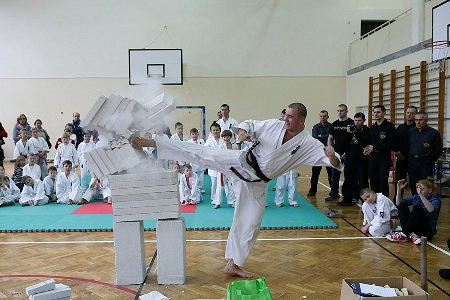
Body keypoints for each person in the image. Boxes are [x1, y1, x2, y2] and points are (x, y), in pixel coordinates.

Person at [131, 102, 342, 277]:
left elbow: (332, 160)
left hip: (257, 183)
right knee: (197, 151)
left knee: (251, 222)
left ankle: (233, 263)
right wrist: (242, 132)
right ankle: (146, 142)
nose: (285, 119)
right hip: (240, 163)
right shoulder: (273, 125)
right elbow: (249, 124)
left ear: (301, 120)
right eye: (285, 115)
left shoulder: (308, 143)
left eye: (290, 117)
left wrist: (331, 154)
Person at [386, 178, 441, 244]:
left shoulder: (435, 200)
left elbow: (431, 210)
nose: (419, 191)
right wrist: (399, 190)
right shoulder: (416, 197)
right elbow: (399, 204)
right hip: (414, 230)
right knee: (402, 205)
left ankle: (404, 234)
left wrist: (421, 195)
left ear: (430, 190)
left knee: (417, 208)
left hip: (426, 232)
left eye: (422, 189)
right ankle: (411, 234)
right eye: (419, 189)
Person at [405, 111, 442, 195]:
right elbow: (407, 146)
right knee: (413, 184)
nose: (418, 122)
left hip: (426, 163)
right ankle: (415, 204)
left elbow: (438, 150)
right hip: (412, 162)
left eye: (420, 120)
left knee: (425, 185)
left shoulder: (433, 133)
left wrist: (430, 160)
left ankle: (425, 206)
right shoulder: (410, 132)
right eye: (416, 120)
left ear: (426, 120)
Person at [364, 105, 396, 198]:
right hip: (373, 158)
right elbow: (369, 143)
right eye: (374, 112)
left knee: (383, 182)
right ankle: (374, 202)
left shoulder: (390, 127)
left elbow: (391, 144)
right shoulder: (372, 128)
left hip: (384, 158)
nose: (376, 114)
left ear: (384, 113)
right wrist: (367, 150)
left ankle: (384, 203)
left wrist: (375, 148)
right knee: (373, 182)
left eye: (378, 112)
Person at [338, 112, 370, 206]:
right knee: (348, 179)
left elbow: (364, 143)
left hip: (362, 159)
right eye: (355, 120)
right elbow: (343, 144)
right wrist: (348, 134)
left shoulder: (367, 131)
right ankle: (347, 198)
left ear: (364, 121)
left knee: (363, 180)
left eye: (359, 120)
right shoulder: (350, 130)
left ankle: (365, 200)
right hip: (350, 159)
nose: (357, 122)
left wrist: (356, 133)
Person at [326, 104, 353, 201]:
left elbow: (354, 139)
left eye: (341, 110)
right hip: (337, 154)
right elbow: (330, 138)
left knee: (349, 175)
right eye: (338, 111)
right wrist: (330, 150)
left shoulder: (351, 123)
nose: (339, 112)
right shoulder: (334, 124)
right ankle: (333, 194)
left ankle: (349, 195)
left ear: (346, 111)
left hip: (349, 153)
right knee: (334, 175)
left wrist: (348, 152)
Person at [394, 106, 417, 198]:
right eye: (407, 112)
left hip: (412, 159)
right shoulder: (400, 127)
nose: (409, 115)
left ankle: (416, 200)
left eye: (412, 113)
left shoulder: (417, 128)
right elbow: (395, 142)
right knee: (399, 180)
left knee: (414, 181)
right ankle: (397, 200)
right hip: (401, 158)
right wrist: (398, 153)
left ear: (415, 115)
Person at [308, 110, 332, 196]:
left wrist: (321, 136)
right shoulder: (315, 127)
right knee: (315, 173)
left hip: (329, 153)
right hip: (318, 153)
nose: (322, 118)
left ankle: (333, 192)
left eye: (324, 116)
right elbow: (314, 137)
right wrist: (325, 136)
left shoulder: (331, 126)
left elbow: (331, 137)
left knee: (331, 173)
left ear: (327, 117)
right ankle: (312, 190)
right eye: (321, 116)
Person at [205, 122, 225, 209]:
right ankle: (214, 199)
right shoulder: (209, 141)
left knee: (221, 185)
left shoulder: (223, 140)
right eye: (213, 130)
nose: (215, 131)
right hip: (213, 165)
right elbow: (206, 152)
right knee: (214, 184)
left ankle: (218, 201)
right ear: (211, 131)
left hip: (221, 165)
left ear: (220, 131)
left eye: (217, 130)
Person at [220, 130, 237, 207]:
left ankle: (232, 200)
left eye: (227, 136)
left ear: (230, 137)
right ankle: (219, 201)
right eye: (224, 136)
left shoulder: (234, 146)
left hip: (233, 167)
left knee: (232, 184)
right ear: (222, 138)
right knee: (222, 185)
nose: (226, 138)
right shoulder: (221, 146)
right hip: (224, 167)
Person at [187, 128, 206, 194]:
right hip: (193, 161)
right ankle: (193, 187)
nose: (194, 135)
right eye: (193, 134)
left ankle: (200, 188)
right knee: (193, 175)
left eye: (196, 134)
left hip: (200, 161)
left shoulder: (202, 141)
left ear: (198, 134)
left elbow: (204, 150)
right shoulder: (188, 142)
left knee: (201, 176)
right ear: (190, 135)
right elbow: (187, 152)